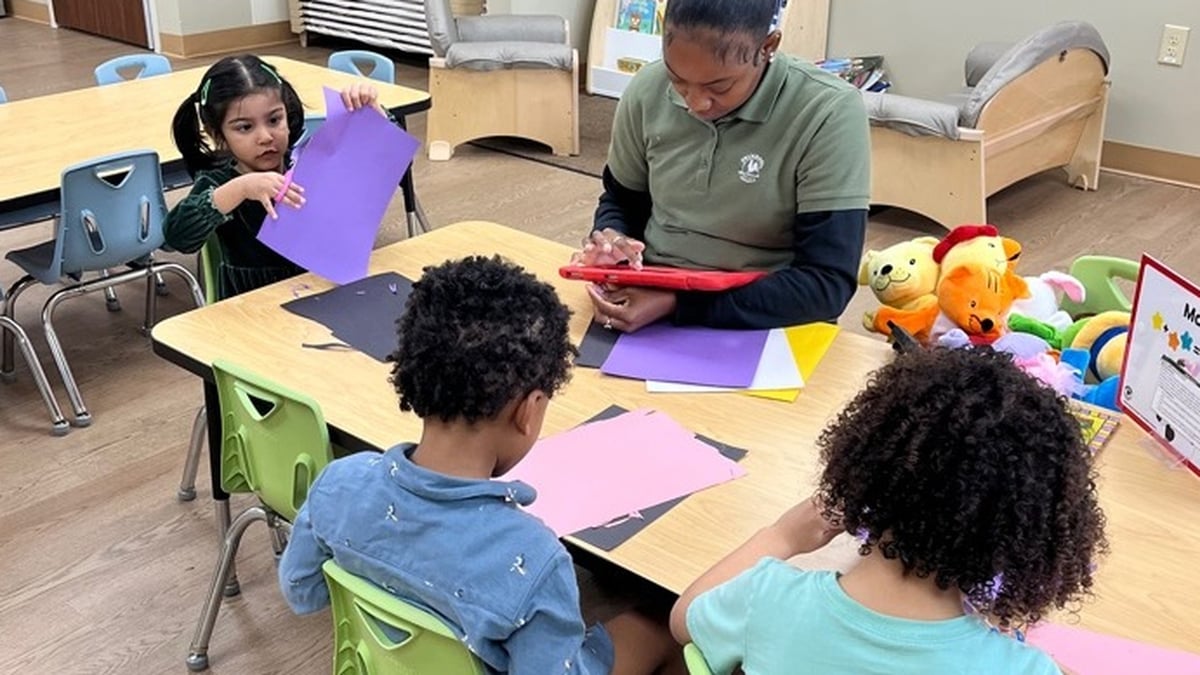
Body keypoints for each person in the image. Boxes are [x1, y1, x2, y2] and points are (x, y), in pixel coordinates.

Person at [278, 256, 684, 675]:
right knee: (668, 622)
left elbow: (301, 591)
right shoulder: (534, 560)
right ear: (530, 411)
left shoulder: (338, 483)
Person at [669, 346, 1107, 674]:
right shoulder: (1018, 670)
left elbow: (683, 618)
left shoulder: (764, 602)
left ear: (862, 470)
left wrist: (782, 536)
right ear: (1025, 539)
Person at [574, 0, 870, 332]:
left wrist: (677, 304)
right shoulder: (647, 88)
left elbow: (826, 285)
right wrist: (614, 243)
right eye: (678, 81)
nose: (695, 104)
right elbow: (621, 201)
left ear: (768, 47)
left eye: (720, 87)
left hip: (767, 319)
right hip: (647, 299)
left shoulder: (827, 111)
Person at [164, 53, 384, 298]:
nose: (266, 136)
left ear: (287, 116)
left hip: (322, 292)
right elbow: (176, 237)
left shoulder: (309, 161)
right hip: (251, 309)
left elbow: (382, 168)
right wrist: (240, 189)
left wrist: (374, 118)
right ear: (218, 134)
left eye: (274, 120)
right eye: (245, 127)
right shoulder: (219, 183)